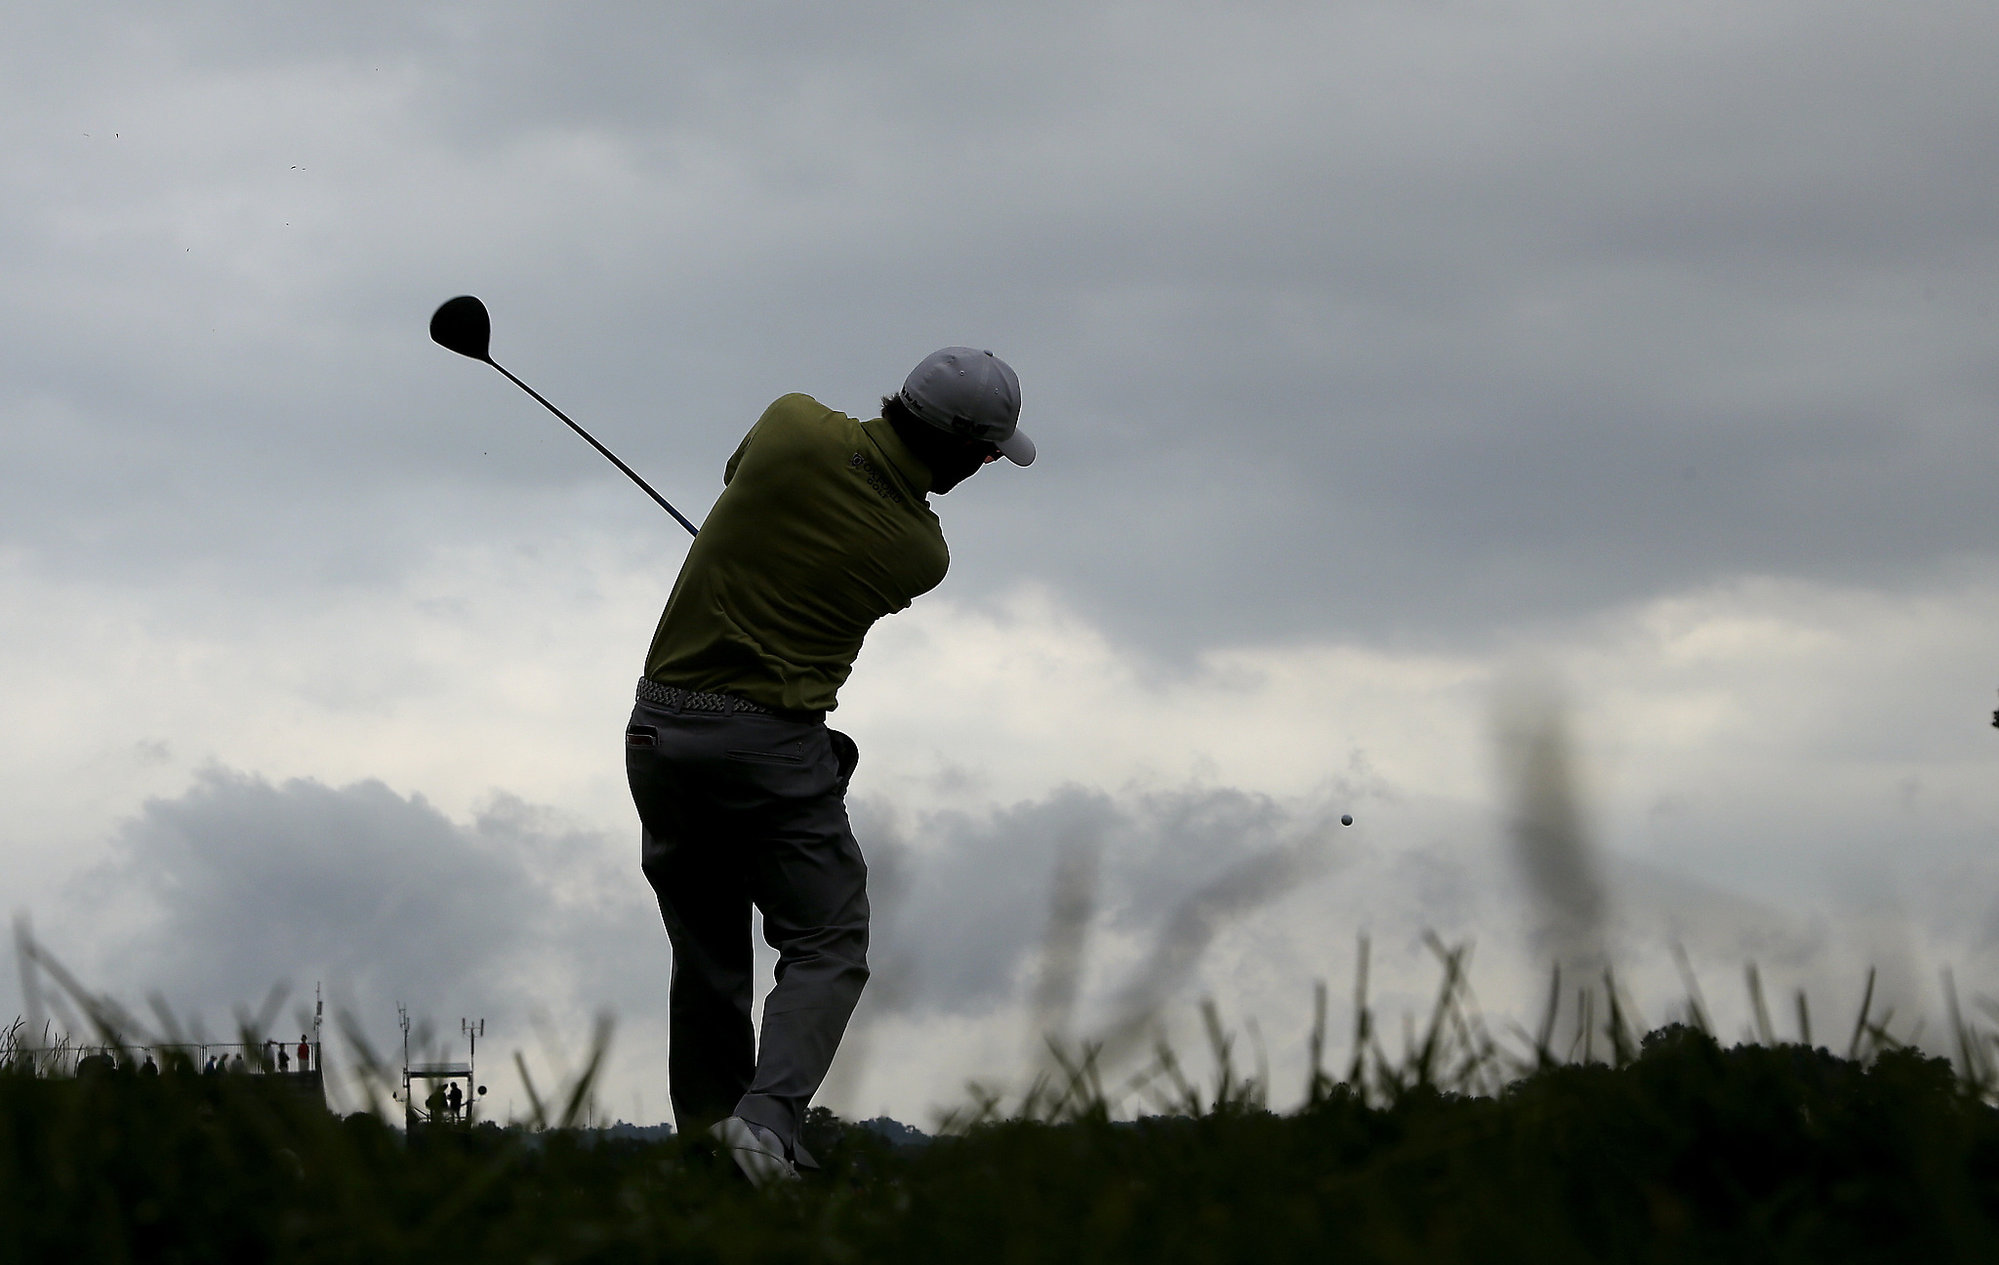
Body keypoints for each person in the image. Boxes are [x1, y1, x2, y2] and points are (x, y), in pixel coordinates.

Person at [627, 348, 1033, 1186]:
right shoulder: (921, 552)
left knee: (706, 955)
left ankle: (710, 1145)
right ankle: (767, 1123)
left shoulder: (789, 423)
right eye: (989, 453)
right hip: (768, 743)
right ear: (961, 449)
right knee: (826, 938)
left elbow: (744, 482)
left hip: (659, 731)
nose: (986, 466)